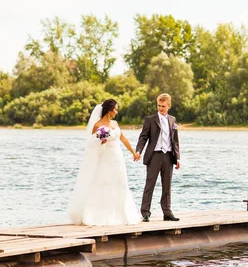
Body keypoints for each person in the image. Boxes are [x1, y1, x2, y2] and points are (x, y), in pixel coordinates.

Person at [65, 99, 142, 226]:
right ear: (109, 110)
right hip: (105, 157)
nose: (117, 112)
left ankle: (122, 213)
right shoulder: (97, 125)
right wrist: (101, 142)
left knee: (120, 181)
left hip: (117, 157)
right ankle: (98, 214)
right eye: (115, 109)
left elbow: (123, 138)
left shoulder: (115, 123)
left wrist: (133, 152)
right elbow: (91, 144)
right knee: (102, 182)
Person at [135, 93, 181, 222]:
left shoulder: (173, 120)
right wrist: (138, 150)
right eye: (159, 106)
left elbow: (175, 141)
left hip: (168, 157)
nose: (160, 108)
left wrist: (177, 158)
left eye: (163, 106)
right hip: (154, 156)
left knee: (167, 186)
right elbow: (143, 137)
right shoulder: (150, 120)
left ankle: (167, 212)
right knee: (150, 185)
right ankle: (145, 213)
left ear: (169, 106)